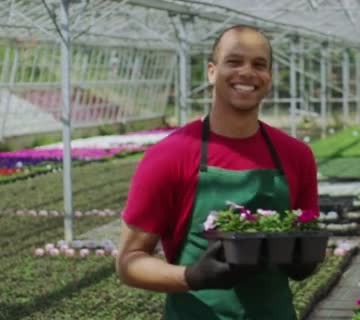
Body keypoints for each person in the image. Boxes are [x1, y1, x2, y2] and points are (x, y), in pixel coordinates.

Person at [116, 25, 320, 320]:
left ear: (269, 78)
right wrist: (191, 276)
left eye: (259, 64)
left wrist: (303, 259)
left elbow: (306, 239)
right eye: (234, 62)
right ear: (212, 72)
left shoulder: (297, 155)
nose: (247, 72)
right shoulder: (169, 156)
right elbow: (129, 262)